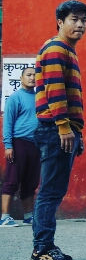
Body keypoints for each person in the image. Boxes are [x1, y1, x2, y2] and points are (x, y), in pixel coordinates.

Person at [29, 0, 86, 260]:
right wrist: (65, 128)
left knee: (53, 190)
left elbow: (68, 94)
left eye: (84, 20)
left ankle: (45, 246)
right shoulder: (56, 48)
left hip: (63, 130)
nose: (80, 25)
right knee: (50, 191)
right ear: (60, 22)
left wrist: (77, 133)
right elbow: (55, 91)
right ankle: (41, 251)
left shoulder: (67, 50)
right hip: (55, 129)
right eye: (74, 19)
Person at [1, 67, 40, 227]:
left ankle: (28, 216)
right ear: (21, 78)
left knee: (31, 182)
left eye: (35, 75)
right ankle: (4, 217)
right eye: (28, 75)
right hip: (18, 143)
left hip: (35, 144)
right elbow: (8, 123)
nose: (32, 78)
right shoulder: (15, 98)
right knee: (12, 180)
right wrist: (8, 145)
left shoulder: (40, 98)